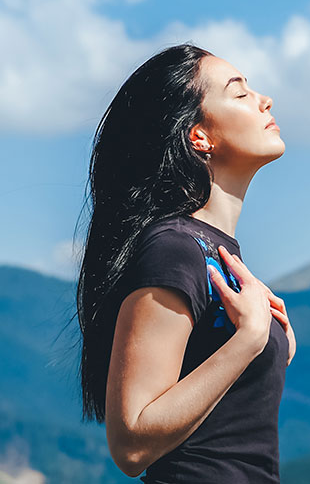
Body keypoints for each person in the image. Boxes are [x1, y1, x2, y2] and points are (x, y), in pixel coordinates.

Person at [72, 43, 296, 483]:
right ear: (200, 136)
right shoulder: (173, 248)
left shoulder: (215, 252)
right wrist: (249, 340)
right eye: (239, 92)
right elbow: (131, 444)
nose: (264, 100)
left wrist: (275, 348)